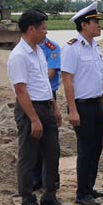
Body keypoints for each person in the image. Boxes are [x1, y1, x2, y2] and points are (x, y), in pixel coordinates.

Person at [6, 10, 69, 205]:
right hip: (29, 108)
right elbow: (20, 90)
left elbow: (44, 82)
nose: (46, 32)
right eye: (43, 28)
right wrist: (33, 118)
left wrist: (54, 107)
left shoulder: (39, 51)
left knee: (52, 152)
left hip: (46, 105)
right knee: (29, 155)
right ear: (31, 29)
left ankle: (49, 195)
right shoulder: (19, 56)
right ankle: (27, 199)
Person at [62, 2, 103, 205]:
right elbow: (67, 80)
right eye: (95, 22)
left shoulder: (95, 47)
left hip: (96, 104)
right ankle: (82, 193)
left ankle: (89, 186)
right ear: (84, 25)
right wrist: (72, 110)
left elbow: (100, 80)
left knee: (96, 147)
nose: (99, 25)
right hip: (81, 106)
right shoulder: (72, 48)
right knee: (85, 149)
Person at [30, 35, 63, 196]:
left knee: (50, 143)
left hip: (49, 95)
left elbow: (50, 74)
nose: (45, 31)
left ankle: (51, 181)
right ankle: (35, 180)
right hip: (32, 96)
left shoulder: (52, 47)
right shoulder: (28, 48)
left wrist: (33, 77)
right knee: (34, 141)